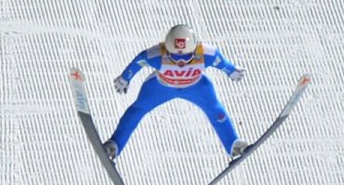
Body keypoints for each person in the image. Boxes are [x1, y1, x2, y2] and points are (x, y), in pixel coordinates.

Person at [104, 24, 247, 163]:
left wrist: (232, 70)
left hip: (196, 87)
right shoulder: (157, 54)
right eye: (174, 57)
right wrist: (125, 78)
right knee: (136, 111)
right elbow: (138, 62)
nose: (181, 62)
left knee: (216, 110)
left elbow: (222, 63)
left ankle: (233, 144)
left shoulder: (207, 53)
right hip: (161, 87)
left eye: (187, 57)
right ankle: (115, 145)